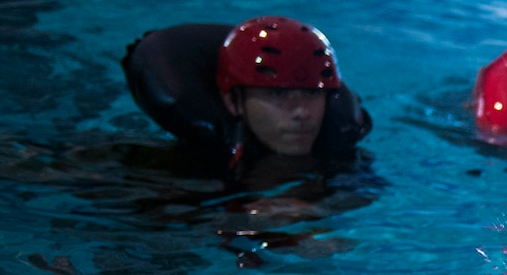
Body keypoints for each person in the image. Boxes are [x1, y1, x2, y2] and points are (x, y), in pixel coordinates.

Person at [122, 16, 370, 175]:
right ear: (233, 102)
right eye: (277, 94)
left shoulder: (346, 167)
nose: (301, 112)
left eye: (311, 93)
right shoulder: (165, 170)